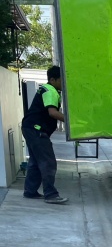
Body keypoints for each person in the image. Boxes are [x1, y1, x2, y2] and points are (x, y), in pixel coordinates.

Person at [21, 65, 68, 204]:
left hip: (29, 127)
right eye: (62, 80)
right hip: (37, 130)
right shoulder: (50, 91)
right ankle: (51, 195)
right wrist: (72, 122)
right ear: (53, 80)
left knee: (35, 162)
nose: (64, 83)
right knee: (48, 162)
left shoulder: (46, 89)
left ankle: (30, 191)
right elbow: (52, 113)